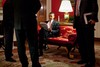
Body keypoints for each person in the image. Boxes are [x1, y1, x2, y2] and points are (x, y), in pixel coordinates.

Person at [13, 0, 41, 67]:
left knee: (20, 46)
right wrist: (31, 13)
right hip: (29, 22)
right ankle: (35, 64)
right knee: (33, 45)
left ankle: (24, 64)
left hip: (17, 22)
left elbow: (11, 8)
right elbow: (38, 5)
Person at [73, 0, 98, 67]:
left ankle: (91, 61)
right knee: (81, 42)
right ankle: (84, 59)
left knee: (89, 42)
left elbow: (94, 7)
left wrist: (93, 18)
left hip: (87, 20)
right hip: (78, 21)